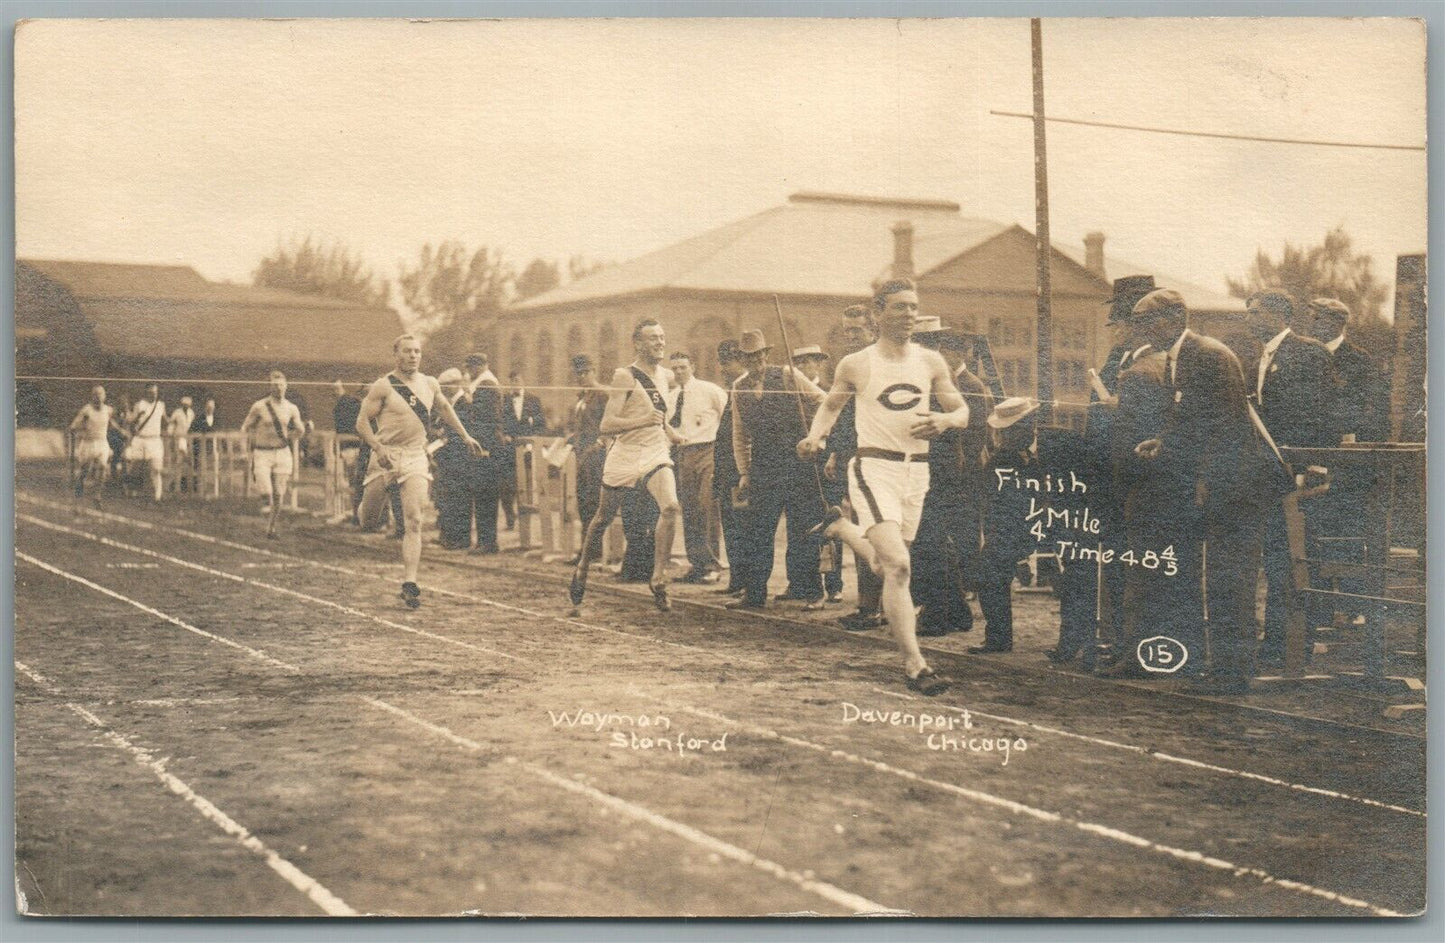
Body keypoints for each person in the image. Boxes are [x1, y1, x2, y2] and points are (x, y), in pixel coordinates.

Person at [800, 278, 971, 695]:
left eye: (913, 307)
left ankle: (841, 528)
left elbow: (962, 410)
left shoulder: (931, 361)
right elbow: (832, 404)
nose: (909, 314)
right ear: (878, 314)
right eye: (899, 307)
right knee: (899, 567)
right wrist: (817, 436)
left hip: (918, 472)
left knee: (885, 565)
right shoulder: (856, 363)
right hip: (874, 467)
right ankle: (915, 666)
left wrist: (945, 421)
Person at [1130, 289, 1291, 692]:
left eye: (1148, 320)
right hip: (1220, 483)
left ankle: (1233, 675)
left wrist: (1203, 481)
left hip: (1237, 486)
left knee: (1232, 579)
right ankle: (1223, 669)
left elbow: (1226, 426)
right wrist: (1164, 441)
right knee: (1219, 577)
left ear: (1175, 317)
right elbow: (1188, 416)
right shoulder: (1182, 356)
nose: (1143, 330)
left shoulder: (1209, 355)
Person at [356, 334, 485, 608]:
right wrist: (378, 449)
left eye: (417, 351)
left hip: (415, 455)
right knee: (368, 521)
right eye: (407, 351)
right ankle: (367, 511)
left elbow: (445, 407)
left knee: (414, 520)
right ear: (396, 354)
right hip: (386, 455)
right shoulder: (383, 386)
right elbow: (362, 424)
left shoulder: (429, 383)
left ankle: (411, 582)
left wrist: (465, 436)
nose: (413, 356)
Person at [569, 318, 685, 615]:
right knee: (602, 517)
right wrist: (642, 422)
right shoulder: (624, 376)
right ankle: (582, 566)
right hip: (625, 452)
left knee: (671, 508)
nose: (660, 342)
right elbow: (607, 425)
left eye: (662, 337)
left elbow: (661, 417)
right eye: (652, 338)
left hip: (654, 450)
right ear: (638, 343)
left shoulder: (669, 377)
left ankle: (658, 578)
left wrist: (671, 432)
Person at [1247, 290, 1337, 670]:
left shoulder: (1308, 351)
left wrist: (1315, 463)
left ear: (1277, 314)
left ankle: (1299, 640)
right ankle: (1276, 641)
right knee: (1276, 557)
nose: (1249, 318)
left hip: (1298, 474)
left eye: (1255, 312)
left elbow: (1322, 412)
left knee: (1298, 556)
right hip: (1270, 473)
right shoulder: (1260, 359)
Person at [1084, 275, 1158, 669]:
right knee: (1115, 558)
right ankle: (1115, 637)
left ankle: (1130, 642)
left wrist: (1115, 407)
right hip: (1111, 470)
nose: (1115, 328)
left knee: (1135, 562)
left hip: (1137, 472)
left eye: (1119, 321)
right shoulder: (1120, 359)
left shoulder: (1153, 360)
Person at [729, 329, 826, 611]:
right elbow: (739, 433)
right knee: (758, 531)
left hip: (798, 464)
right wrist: (744, 471)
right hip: (763, 467)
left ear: (766, 354)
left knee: (805, 528)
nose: (755, 362)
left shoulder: (787, 374)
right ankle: (754, 593)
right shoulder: (740, 387)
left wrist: (815, 436)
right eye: (749, 358)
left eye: (759, 355)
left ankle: (811, 591)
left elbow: (822, 400)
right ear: (742, 360)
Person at [910, 318, 993, 636]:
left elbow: (966, 427)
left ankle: (941, 611)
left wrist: (959, 464)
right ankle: (954, 610)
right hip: (933, 464)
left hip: (941, 467)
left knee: (930, 539)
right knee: (932, 540)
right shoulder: (926, 372)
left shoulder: (936, 376)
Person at [827, 305, 886, 629]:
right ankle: (868, 606)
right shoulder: (848, 366)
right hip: (852, 458)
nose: (850, 337)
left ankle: (877, 607)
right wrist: (835, 454)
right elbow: (840, 415)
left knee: (877, 532)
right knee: (861, 529)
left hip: (878, 458)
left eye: (857, 331)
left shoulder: (881, 364)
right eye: (846, 331)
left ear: (873, 331)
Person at [971, 397, 1041, 654]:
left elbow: (988, 500)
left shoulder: (1000, 460)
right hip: (1020, 528)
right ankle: (1000, 637)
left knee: (990, 582)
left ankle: (998, 638)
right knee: (995, 582)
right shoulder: (1029, 458)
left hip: (1002, 531)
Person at [668, 350, 729, 584]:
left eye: (683, 367)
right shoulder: (672, 396)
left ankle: (713, 564)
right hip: (684, 453)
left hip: (708, 450)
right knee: (690, 508)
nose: (679, 372)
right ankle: (697, 563)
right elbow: (667, 425)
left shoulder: (710, 390)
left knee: (707, 505)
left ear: (692, 366)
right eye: (674, 369)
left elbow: (728, 419)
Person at [792, 345, 844, 601]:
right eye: (798, 363)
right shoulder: (792, 392)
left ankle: (834, 585)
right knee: (805, 522)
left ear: (819, 364)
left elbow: (837, 425)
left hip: (826, 461)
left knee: (831, 519)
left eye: (808, 362)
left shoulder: (829, 390)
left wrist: (826, 448)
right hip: (802, 463)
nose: (802, 367)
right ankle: (807, 585)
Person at [241, 370, 308, 538]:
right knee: (266, 492)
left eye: (281, 385)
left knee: (279, 494)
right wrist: (244, 451)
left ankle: (271, 528)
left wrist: (297, 433)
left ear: (286, 386)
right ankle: (265, 502)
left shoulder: (292, 408)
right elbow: (245, 427)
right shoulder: (259, 406)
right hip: (262, 453)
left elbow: (300, 429)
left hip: (282, 453)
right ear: (270, 387)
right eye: (275, 385)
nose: (278, 388)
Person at [711, 340, 749, 595]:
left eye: (727, 363)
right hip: (726, 472)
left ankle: (745, 582)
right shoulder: (731, 393)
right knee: (731, 527)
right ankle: (737, 580)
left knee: (742, 526)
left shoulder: (745, 390)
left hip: (741, 473)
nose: (723, 369)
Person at [567, 354, 610, 553]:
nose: (582, 376)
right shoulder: (581, 395)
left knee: (593, 501)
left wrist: (599, 443)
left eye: (586, 372)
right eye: (579, 373)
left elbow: (608, 424)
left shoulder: (602, 394)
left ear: (594, 372)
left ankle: (593, 550)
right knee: (583, 501)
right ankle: (587, 548)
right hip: (581, 455)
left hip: (596, 456)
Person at [500, 369, 547, 531]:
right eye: (512, 380)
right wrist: (504, 435)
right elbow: (499, 423)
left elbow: (542, 426)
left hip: (529, 450)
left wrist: (532, 441)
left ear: (523, 381)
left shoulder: (534, 400)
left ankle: (527, 519)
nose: (515, 383)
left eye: (518, 380)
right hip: (508, 450)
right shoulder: (503, 400)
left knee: (529, 484)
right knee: (506, 485)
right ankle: (510, 516)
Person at [69, 385, 121, 505]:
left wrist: (121, 431)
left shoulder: (108, 410)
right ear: (92, 396)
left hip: (102, 442)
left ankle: (97, 496)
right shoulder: (86, 410)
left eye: (101, 394)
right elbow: (75, 424)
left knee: (103, 468)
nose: (98, 397)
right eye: (96, 394)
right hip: (88, 443)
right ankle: (78, 492)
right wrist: (78, 428)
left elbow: (111, 423)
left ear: (104, 396)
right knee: (84, 471)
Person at [124, 383, 168, 502]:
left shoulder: (160, 405)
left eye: (155, 392)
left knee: (156, 468)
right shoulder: (140, 405)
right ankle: (130, 490)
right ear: (146, 393)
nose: (153, 394)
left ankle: (157, 496)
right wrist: (128, 411)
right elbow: (130, 420)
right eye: (151, 392)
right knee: (135, 466)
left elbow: (166, 420)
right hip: (140, 439)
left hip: (154, 439)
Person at [189, 396, 220, 495]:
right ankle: (198, 489)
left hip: (213, 448)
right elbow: (191, 431)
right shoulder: (199, 419)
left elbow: (220, 433)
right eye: (208, 407)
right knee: (199, 468)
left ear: (214, 408)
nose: (210, 409)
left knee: (214, 468)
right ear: (205, 407)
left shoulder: (217, 419)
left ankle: (214, 490)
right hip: (200, 448)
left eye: (212, 407)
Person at [167, 395, 195, 492]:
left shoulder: (191, 413)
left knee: (189, 462)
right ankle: (176, 486)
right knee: (178, 462)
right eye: (184, 405)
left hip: (188, 439)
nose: (186, 406)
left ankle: (188, 486)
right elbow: (171, 424)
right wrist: (170, 437)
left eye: (188, 405)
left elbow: (192, 426)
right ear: (182, 405)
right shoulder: (177, 413)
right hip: (178, 439)